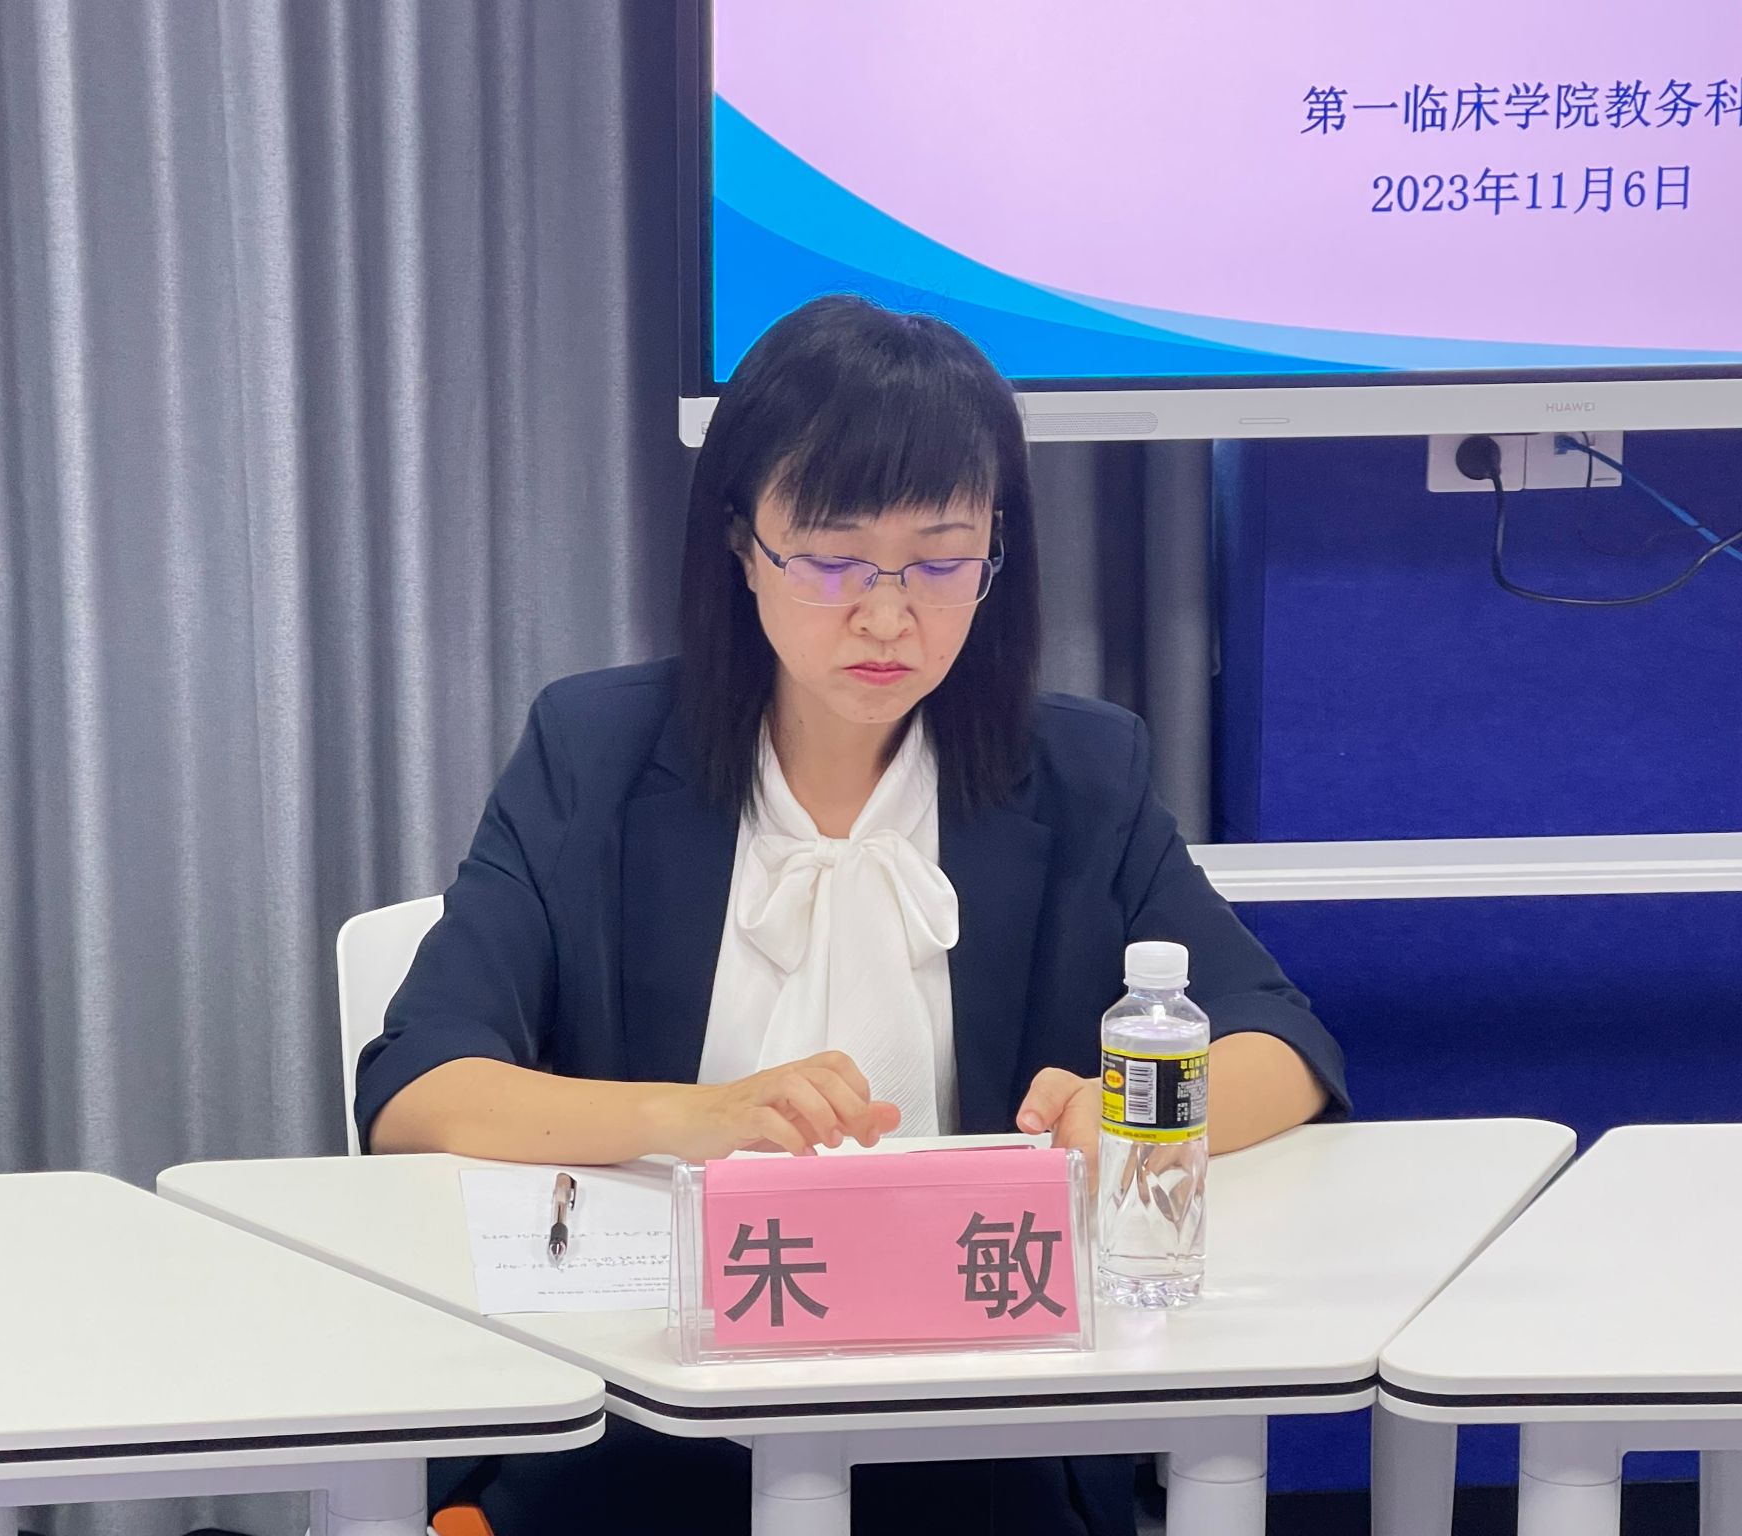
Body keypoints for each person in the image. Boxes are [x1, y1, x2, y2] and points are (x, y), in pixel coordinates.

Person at [356, 295, 1348, 1536]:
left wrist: (1114, 1118)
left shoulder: (1076, 773)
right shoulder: (593, 752)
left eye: (939, 561)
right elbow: (419, 1088)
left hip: (975, 1412)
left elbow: (1281, 1046)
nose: (887, 615)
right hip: (645, 1398)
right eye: (831, 559)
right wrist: (694, 1119)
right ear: (741, 543)